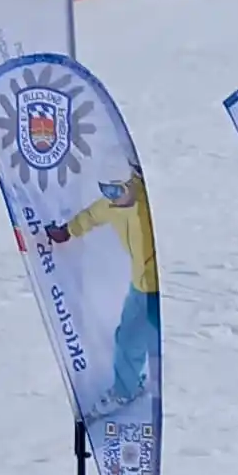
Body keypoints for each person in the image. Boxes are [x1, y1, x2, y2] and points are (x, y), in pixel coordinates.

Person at [49, 175, 160, 408]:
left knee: (137, 338)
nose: (111, 196)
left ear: (130, 185)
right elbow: (92, 215)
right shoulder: (112, 204)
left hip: (158, 288)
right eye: (106, 190)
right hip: (140, 285)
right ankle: (128, 386)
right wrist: (68, 231)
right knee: (128, 338)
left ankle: (127, 390)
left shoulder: (149, 208)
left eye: (116, 190)